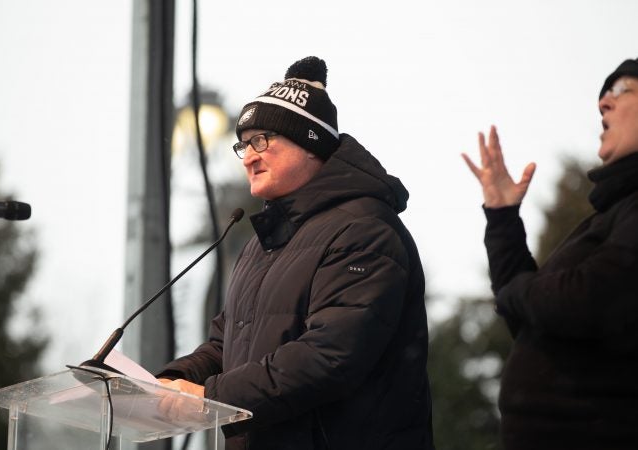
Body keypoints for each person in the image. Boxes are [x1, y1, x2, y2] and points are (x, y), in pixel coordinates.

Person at [156, 56, 434, 450]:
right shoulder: (262, 243)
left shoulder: (364, 229)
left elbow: (330, 355)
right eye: (243, 144)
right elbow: (227, 344)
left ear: (310, 144)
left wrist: (212, 396)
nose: (249, 156)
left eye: (261, 140)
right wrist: (166, 382)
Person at [462, 57, 638, 450]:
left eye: (621, 90)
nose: (602, 103)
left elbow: (589, 299)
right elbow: (532, 318)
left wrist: (520, 291)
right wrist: (503, 217)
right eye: (602, 94)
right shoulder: (609, 216)